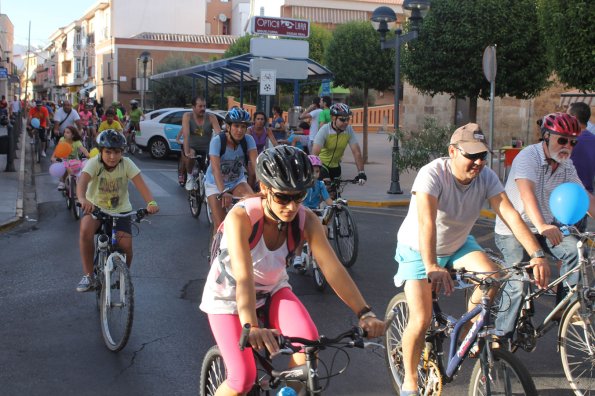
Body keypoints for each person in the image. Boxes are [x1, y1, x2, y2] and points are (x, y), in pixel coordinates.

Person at [199, 146, 385, 395]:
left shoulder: (306, 220)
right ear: (264, 189)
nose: (291, 206)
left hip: (272, 289)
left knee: (308, 345)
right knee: (242, 379)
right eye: (282, 197)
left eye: (298, 197)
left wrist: (364, 312)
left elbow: (333, 269)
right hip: (228, 299)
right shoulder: (241, 218)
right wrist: (251, 327)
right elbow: (244, 279)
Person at [395, 123, 550, 395]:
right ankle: (409, 381)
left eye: (482, 156)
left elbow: (511, 214)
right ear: (452, 151)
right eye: (471, 155)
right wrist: (431, 265)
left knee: (494, 276)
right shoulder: (432, 174)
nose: (478, 162)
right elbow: (426, 223)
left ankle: (467, 330)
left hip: (457, 243)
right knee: (420, 319)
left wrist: (537, 254)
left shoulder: (486, 177)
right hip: (419, 248)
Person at [495, 112, 595, 338]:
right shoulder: (527, 157)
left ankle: (563, 308)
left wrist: (544, 227)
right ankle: (499, 338)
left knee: (576, 252)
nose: (567, 146)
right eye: (562, 140)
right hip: (515, 230)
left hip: (545, 227)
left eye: (572, 142)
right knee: (518, 283)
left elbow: (584, 196)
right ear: (546, 136)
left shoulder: (566, 164)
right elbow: (526, 193)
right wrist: (541, 225)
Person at [75, 130, 159, 292]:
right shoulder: (94, 163)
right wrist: (83, 199)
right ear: (100, 151)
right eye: (108, 152)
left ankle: (123, 275)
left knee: (126, 246)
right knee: (85, 230)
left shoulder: (126, 164)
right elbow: (82, 182)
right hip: (96, 208)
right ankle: (89, 276)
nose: (112, 157)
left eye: (117, 152)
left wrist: (151, 202)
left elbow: (141, 184)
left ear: (122, 152)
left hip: (121, 211)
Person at [205, 107, 258, 235]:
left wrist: (266, 187)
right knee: (220, 226)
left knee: (255, 209)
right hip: (215, 184)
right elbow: (216, 169)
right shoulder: (217, 141)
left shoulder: (248, 140)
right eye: (236, 126)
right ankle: (215, 253)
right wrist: (223, 192)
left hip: (237, 182)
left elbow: (257, 165)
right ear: (228, 127)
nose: (240, 130)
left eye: (243, 127)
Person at [292, 154, 334, 270]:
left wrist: (335, 204)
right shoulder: (301, 184)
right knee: (302, 233)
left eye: (317, 171)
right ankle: (298, 256)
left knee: (324, 229)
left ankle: (321, 251)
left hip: (315, 212)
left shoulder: (320, 185)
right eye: (311, 171)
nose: (314, 174)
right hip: (302, 211)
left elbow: (328, 200)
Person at [312, 103, 367, 184]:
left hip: (336, 166)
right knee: (328, 188)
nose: (346, 122)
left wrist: (361, 172)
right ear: (333, 118)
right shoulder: (324, 130)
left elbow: (357, 152)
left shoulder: (349, 130)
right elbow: (314, 154)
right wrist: (315, 172)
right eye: (342, 119)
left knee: (336, 192)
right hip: (322, 165)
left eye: (348, 119)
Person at [182, 97, 221, 190]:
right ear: (193, 107)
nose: (203, 108)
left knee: (209, 166)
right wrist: (187, 152)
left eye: (204, 106)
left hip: (207, 148)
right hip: (192, 146)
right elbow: (186, 135)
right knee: (190, 155)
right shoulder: (187, 116)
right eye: (200, 106)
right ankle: (189, 176)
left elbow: (219, 134)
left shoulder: (211, 117)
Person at [568, 102, 595, 232]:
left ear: (573, 117)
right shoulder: (593, 139)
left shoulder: (567, 141)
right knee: (579, 239)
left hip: (567, 195)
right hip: (587, 196)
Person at [51, 125, 90, 190]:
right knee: (65, 166)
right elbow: (57, 149)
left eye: (68, 132)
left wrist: (88, 155)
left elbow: (83, 149)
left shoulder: (77, 142)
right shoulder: (62, 140)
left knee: (81, 170)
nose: (65, 134)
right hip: (64, 159)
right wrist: (52, 157)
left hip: (74, 160)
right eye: (64, 132)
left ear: (73, 135)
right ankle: (62, 181)